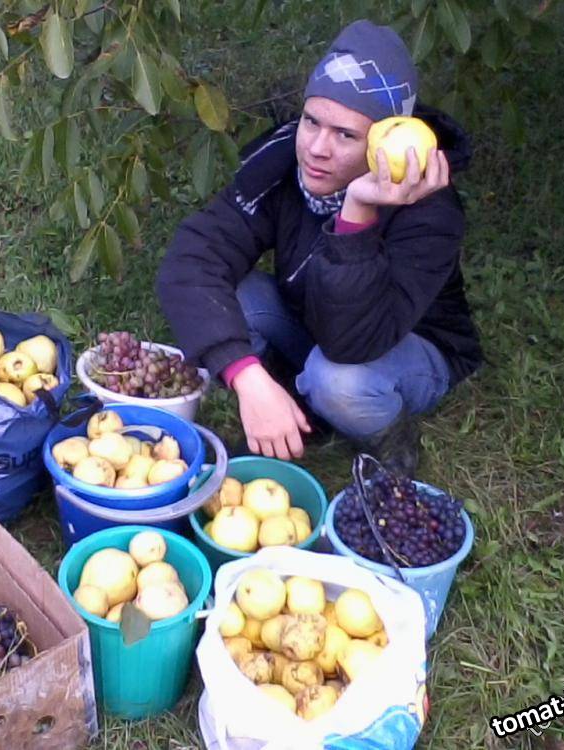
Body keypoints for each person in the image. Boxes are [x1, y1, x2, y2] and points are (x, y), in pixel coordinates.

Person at [156, 19, 482, 476]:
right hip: (318, 315)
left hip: (404, 345)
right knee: (234, 295)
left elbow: (353, 343)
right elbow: (193, 258)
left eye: (345, 135)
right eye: (312, 122)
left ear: (384, 141)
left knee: (336, 380)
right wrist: (247, 376)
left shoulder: (430, 209)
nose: (316, 148)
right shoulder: (283, 160)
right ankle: (287, 404)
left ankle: (389, 435)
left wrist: (357, 213)